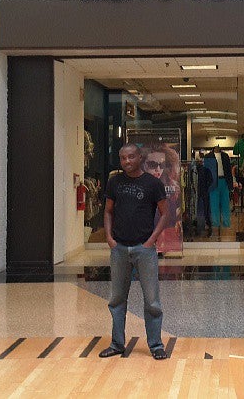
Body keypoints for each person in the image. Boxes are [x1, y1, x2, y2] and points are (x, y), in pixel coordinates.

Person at [99, 143, 169, 360]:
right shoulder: (114, 182)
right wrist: (109, 238)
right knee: (117, 299)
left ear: (140, 158)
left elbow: (165, 213)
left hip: (144, 249)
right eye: (122, 158)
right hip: (119, 248)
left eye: (130, 157)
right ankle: (117, 344)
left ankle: (156, 345)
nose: (126, 161)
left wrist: (151, 240)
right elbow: (108, 211)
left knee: (152, 301)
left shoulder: (153, 183)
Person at [142, 143, 182, 252]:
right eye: (152, 164)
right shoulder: (139, 186)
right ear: (144, 165)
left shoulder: (171, 188)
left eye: (162, 165)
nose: (158, 169)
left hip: (165, 239)